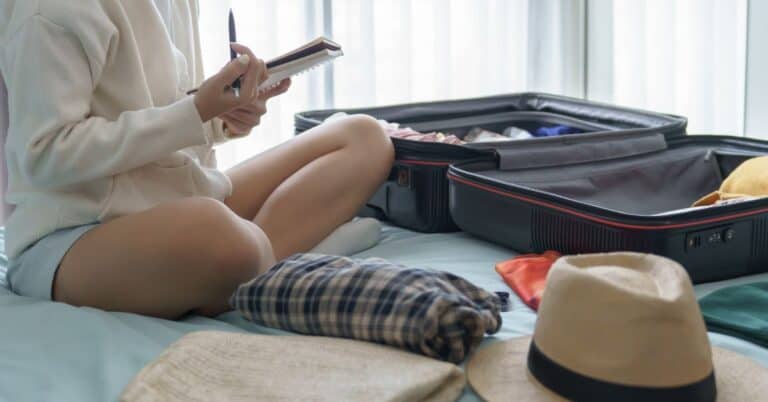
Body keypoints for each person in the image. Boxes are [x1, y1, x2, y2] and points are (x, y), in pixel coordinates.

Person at [0, 0, 394, 319]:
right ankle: (287, 261)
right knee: (224, 238)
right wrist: (194, 113)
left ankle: (266, 260)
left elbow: (168, 114)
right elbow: (44, 154)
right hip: (73, 236)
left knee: (365, 136)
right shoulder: (47, 11)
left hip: (171, 202)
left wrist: (223, 116)